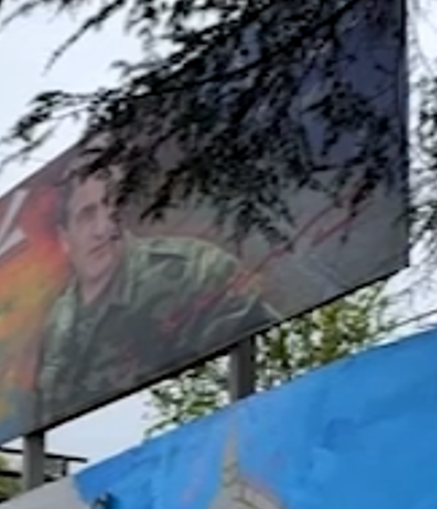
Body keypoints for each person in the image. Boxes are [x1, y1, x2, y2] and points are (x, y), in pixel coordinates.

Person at [34, 150, 277, 427]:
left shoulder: (196, 270)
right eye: (87, 216)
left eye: (112, 210)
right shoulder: (57, 323)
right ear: (65, 238)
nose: (104, 228)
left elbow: (274, 364)